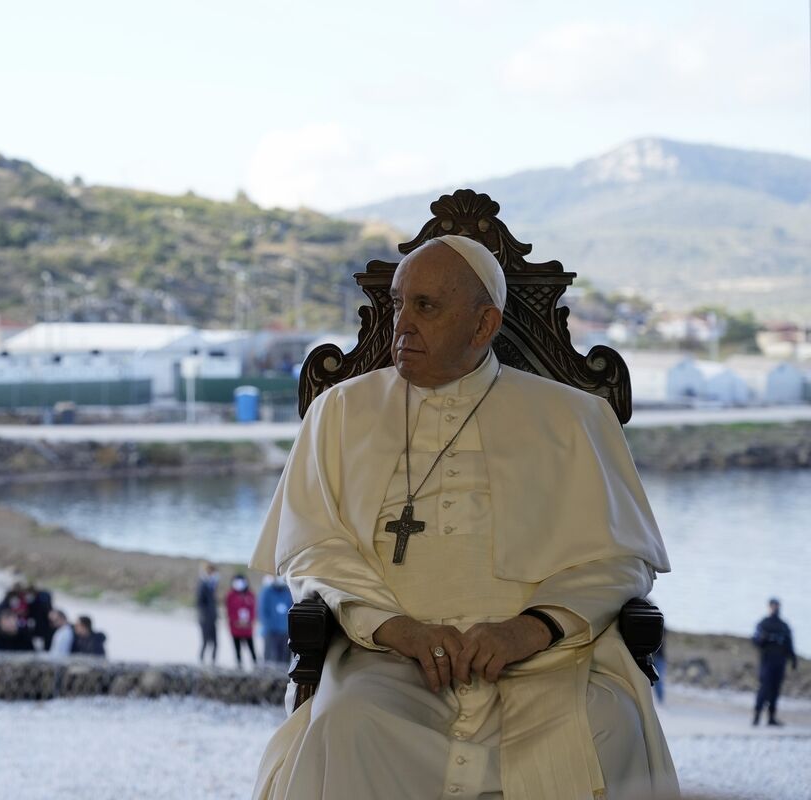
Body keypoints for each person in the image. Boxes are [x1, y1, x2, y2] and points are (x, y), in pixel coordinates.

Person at [251, 235, 676, 799]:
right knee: (348, 722)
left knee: (609, 725)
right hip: (387, 659)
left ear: (483, 325)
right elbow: (311, 547)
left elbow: (620, 559)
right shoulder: (341, 411)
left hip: (544, 661)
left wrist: (534, 627)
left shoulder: (573, 417)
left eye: (425, 306)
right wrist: (392, 627)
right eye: (399, 303)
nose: (402, 324)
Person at [752, 597, 797, 726]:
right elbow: (755, 640)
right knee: (764, 688)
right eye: (773, 606)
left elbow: (789, 644)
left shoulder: (783, 626)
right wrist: (763, 638)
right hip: (767, 661)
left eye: (776, 605)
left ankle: (771, 718)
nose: (775, 608)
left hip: (780, 662)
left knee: (775, 689)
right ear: (769, 607)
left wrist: (793, 659)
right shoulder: (764, 623)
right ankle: (756, 717)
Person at [258, 575, 293, 665]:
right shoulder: (266, 591)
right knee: (271, 658)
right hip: (271, 631)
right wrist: (269, 626)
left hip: (285, 631)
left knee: (285, 658)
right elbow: (262, 611)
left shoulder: (288, 592)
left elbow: (292, 609)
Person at [226, 573, 258, 668]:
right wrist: (236, 621)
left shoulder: (250, 594)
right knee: (237, 648)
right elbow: (229, 611)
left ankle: (255, 664)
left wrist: (250, 621)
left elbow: (253, 609)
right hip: (236, 627)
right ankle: (239, 665)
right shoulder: (230, 595)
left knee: (251, 647)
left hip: (247, 627)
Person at [196, 562, 219, 664]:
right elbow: (200, 602)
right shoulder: (203, 584)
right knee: (205, 641)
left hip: (212, 617)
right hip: (205, 618)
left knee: (215, 642)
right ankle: (201, 661)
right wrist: (204, 616)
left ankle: (213, 661)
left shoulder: (211, 585)